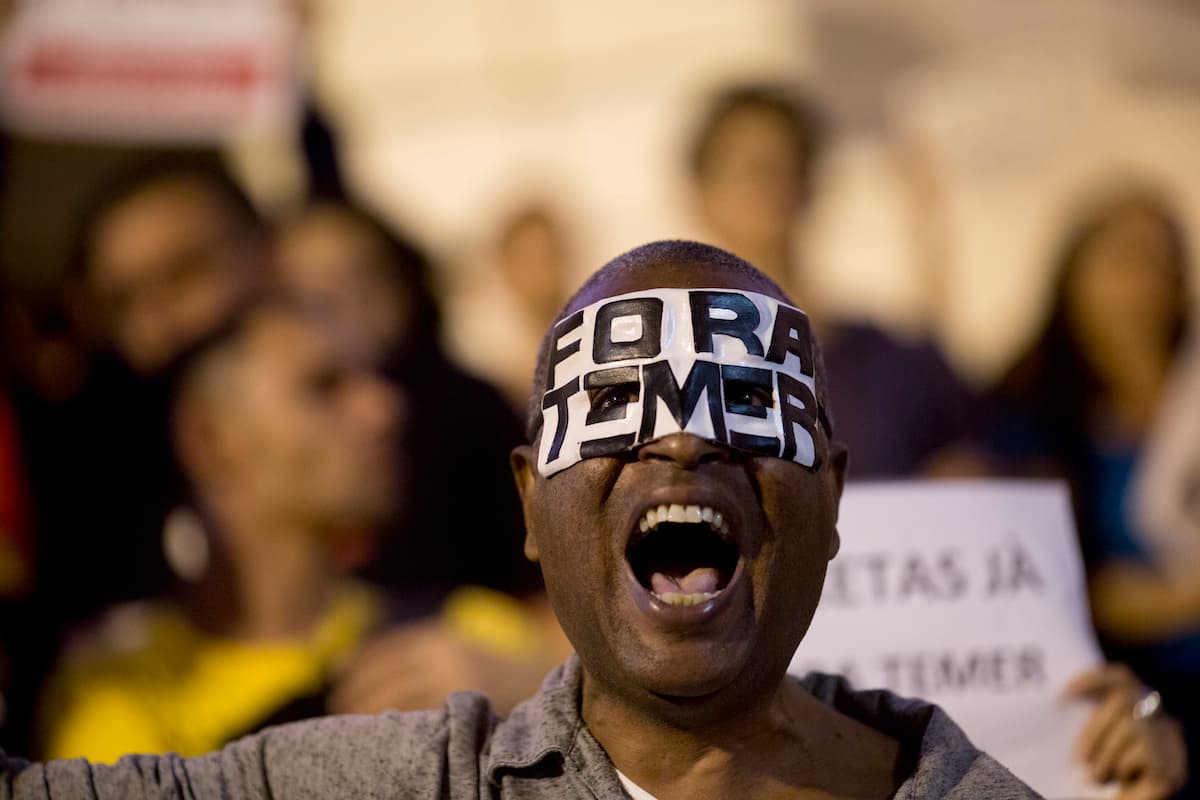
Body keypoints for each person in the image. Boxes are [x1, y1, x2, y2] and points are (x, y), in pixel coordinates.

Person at [1, 240, 1041, 798]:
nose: (680, 444)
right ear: (528, 505)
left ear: (832, 500)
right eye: (614, 408)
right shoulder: (398, 782)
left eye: (743, 403)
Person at [34, 299, 402, 762]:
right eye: (322, 386)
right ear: (211, 439)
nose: (384, 409)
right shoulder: (116, 688)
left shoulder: (465, 635)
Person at [983, 186, 1198, 793]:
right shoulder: (1026, 416)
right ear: (1074, 277)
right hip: (1119, 711)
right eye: (1123, 259)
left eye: (1162, 259)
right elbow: (1071, 588)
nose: (1145, 280)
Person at [686, 84, 976, 478]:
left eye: (786, 163)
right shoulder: (673, 370)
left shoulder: (895, 362)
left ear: (811, 184)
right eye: (749, 168)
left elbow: (966, 461)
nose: (771, 181)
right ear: (700, 195)